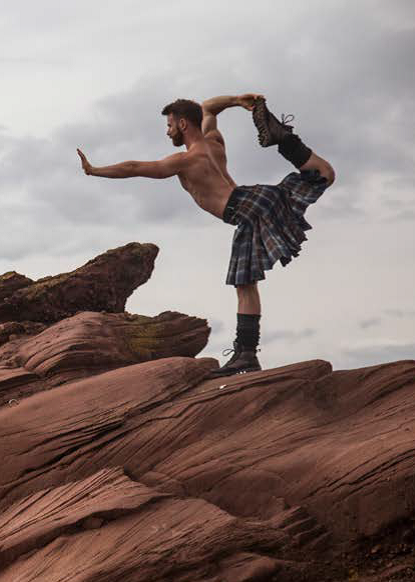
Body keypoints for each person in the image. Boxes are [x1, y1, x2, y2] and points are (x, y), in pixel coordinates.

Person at [76, 94, 335, 377]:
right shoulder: (214, 141)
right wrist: (238, 100)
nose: (167, 131)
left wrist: (95, 170)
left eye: (170, 125)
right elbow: (209, 108)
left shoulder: (186, 160)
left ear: (183, 124)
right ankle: (285, 140)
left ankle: (245, 355)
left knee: (244, 284)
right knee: (323, 174)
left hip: (244, 208)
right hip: (256, 199)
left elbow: (134, 168)